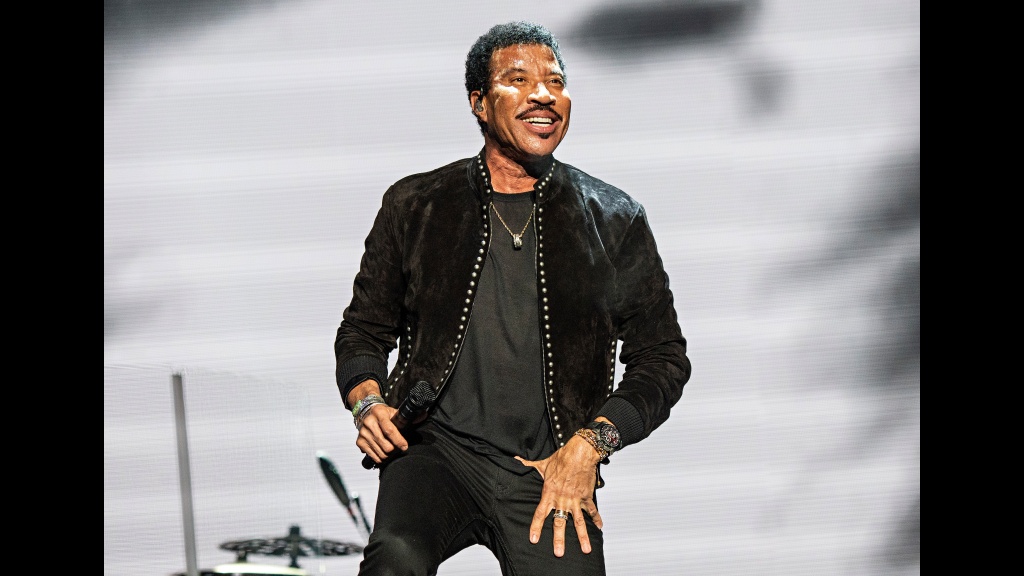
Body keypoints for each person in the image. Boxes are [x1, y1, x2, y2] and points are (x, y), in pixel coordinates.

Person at [334, 21, 691, 576]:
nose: (544, 95)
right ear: (478, 102)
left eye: (555, 81)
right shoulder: (417, 204)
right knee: (394, 561)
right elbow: (363, 331)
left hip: (549, 467)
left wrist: (589, 446)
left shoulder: (614, 219)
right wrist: (367, 401)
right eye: (519, 80)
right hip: (436, 452)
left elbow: (662, 359)